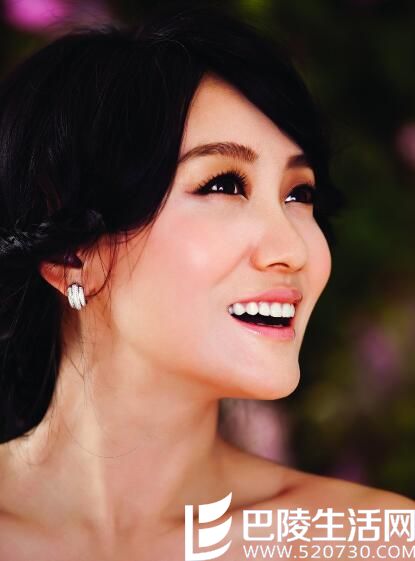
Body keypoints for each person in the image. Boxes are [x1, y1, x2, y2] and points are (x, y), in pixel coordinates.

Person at [0, 4, 412, 560]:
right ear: (71, 253)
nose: (294, 250)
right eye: (224, 184)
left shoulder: (371, 541)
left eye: (299, 194)